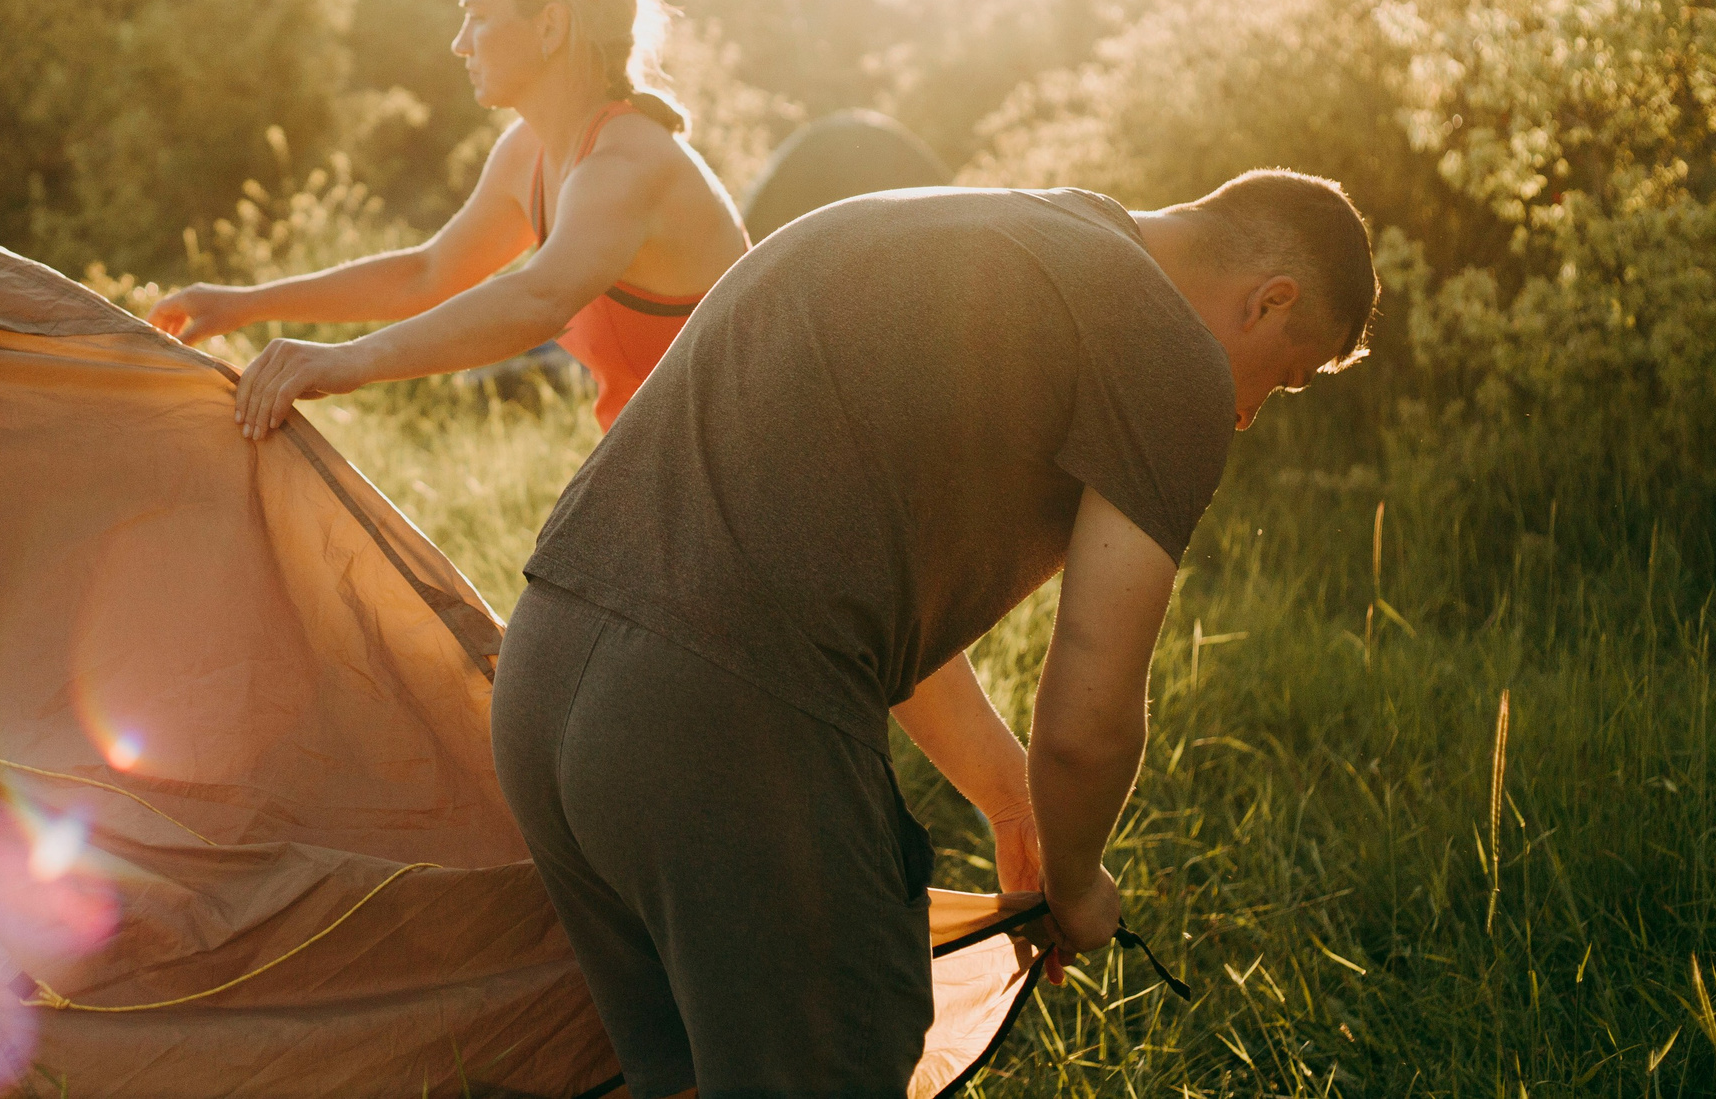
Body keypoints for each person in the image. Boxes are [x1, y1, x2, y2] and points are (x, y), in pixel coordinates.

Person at [492, 171, 1379, 1099]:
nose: (1246, 414)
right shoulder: (1168, 351)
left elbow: (850, 594)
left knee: (676, 1078)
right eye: (1284, 375)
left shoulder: (960, 225)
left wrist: (1012, 805)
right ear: (1269, 298)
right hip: (719, 733)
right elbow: (1089, 712)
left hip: (544, 677)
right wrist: (1077, 884)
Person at [151, 0, 749, 439]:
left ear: (550, 26)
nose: (461, 43)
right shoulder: (529, 152)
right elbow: (429, 273)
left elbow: (535, 301)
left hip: (749, 467)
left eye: (480, 16)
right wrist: (246, 302)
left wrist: (348, 361)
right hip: (663, 466)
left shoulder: (625, 163)